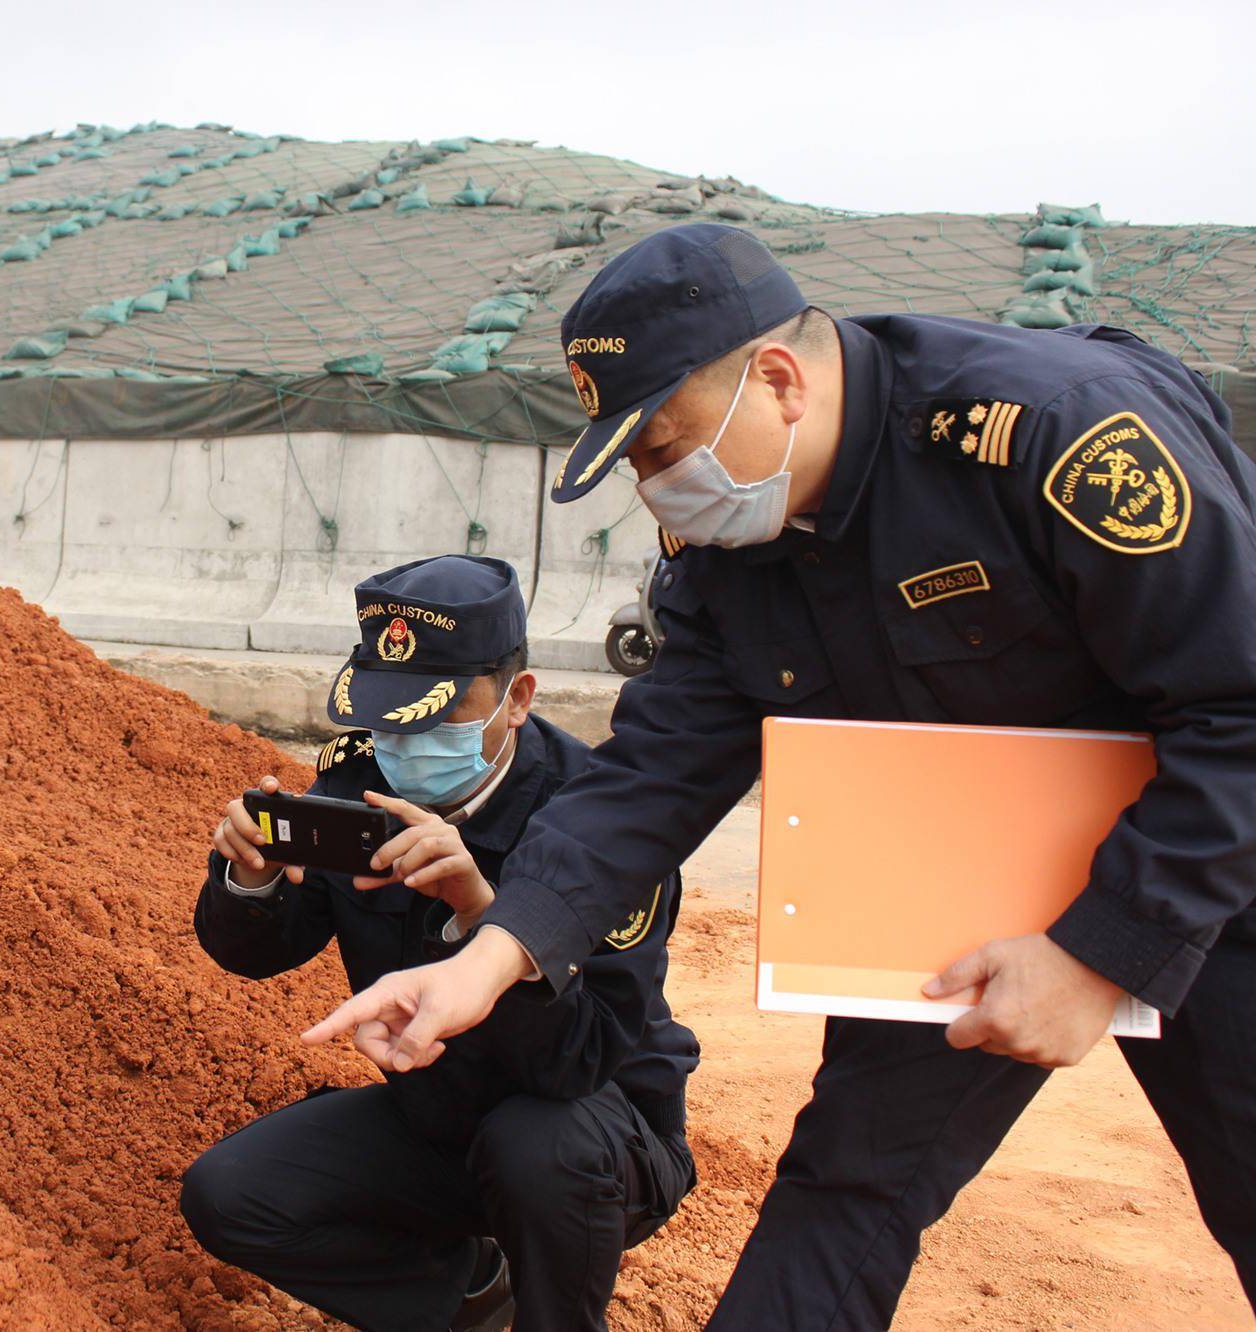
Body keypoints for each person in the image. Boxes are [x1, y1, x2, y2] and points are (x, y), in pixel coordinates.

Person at [304, 222, 1256, 1328]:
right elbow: (649, 775)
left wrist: (1097, 952)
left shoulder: (1054, 429)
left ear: (777, 379)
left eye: (661, 449)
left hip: (1209, 855)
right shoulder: (730, 551)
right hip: (955, 873)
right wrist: (491, 958)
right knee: (846, 1185)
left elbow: (1237, 705)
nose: (658, 492)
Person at [180, 554, 699, 1332]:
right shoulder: (356, 786)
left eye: (435, 714)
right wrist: (249, 876)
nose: (404, 739)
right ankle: (470, 1297)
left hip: (597, 1133)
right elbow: (259, 954)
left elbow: (577, 1061)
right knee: (232, 1195)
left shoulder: (601, 822)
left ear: (517, 699)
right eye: (387, 716)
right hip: (440, 1120)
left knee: (535, 1144)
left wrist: (483, 915)